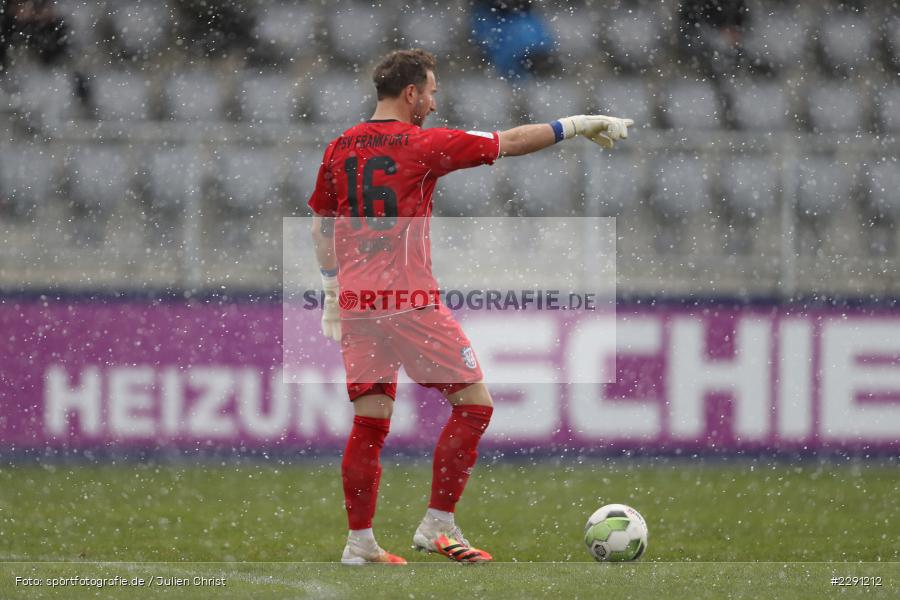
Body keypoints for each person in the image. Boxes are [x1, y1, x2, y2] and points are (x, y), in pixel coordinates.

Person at [307, 48, 633, 565]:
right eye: (431, 92)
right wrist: (577, 123)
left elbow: (323, 226)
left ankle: (359, 543)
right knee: (475, 404)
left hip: (358, 303)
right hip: (407, 298)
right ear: (411, 93)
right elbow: (509, 142)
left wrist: (330, 290)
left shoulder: (339, 148)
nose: (435, 103)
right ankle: (438, 525)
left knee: (370, 422)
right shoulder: (422, 144)